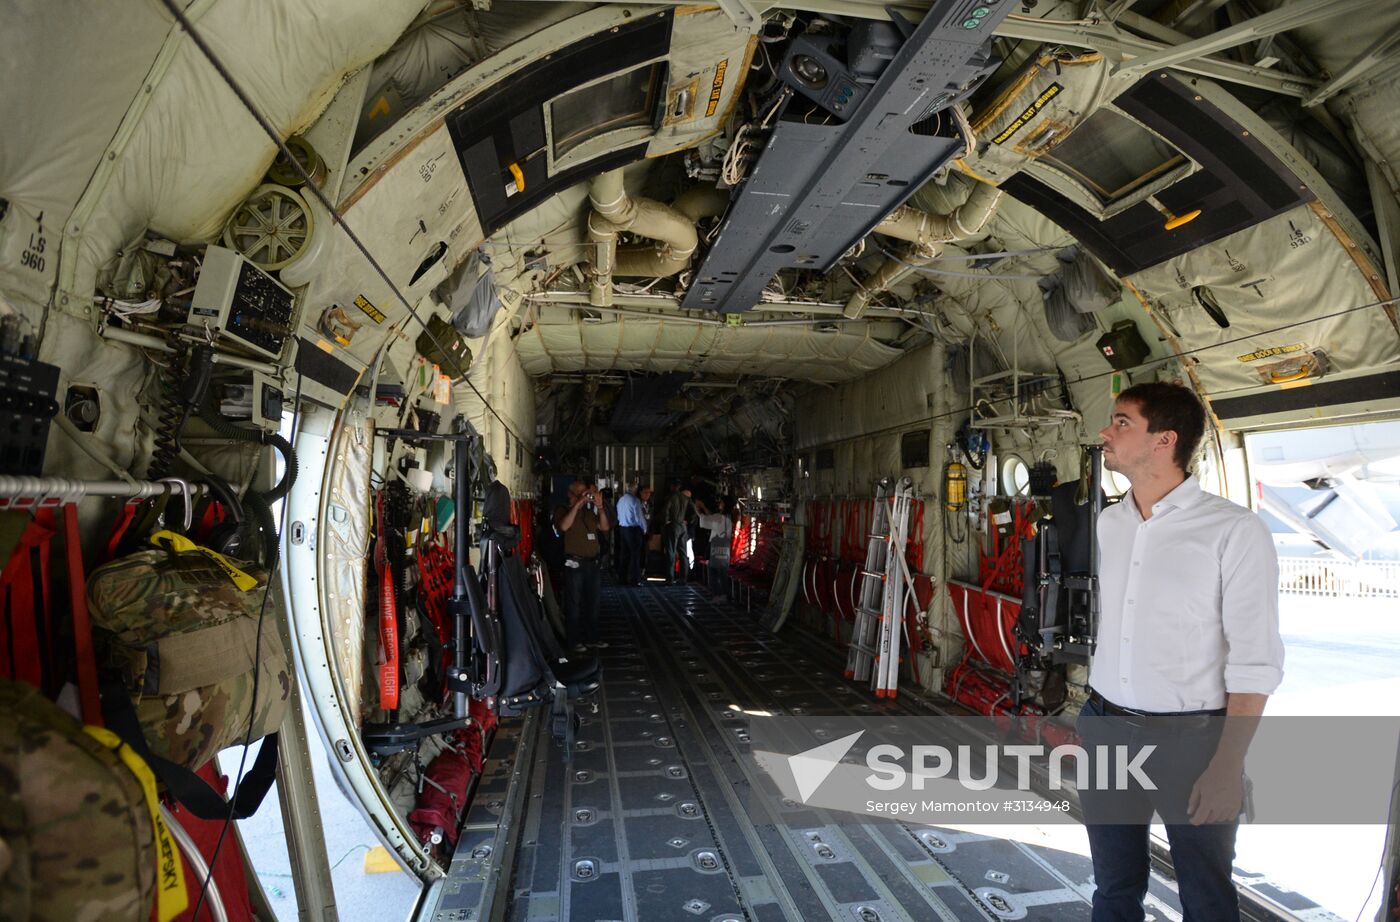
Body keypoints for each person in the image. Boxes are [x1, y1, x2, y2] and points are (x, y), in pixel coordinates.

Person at [1079, 381, 1283, 921]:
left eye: (1122, 421)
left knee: (1206, 894)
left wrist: (1227, 766)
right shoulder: (1111, 521)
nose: (1106, 431)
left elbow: (1255, 661)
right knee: (1113, 888)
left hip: (1191, 742)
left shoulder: (1234, 531)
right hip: (1104, 723)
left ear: (1164, 440)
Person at [552, 478, 611, 650]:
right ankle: (574, 640)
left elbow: (605, 527)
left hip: (592, 564)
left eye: (585, 493)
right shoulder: (562, 510)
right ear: (571, 494)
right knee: (574, 604)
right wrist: (577, 504)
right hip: (574, 565)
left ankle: (592, 638)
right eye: (580, 493)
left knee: (593, 603)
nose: (585, 496)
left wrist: (600, 507)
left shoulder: (589, 513)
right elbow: (563, 526)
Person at [695, 496, 733, 599]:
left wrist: (698, 509)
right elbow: (711, 518)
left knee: (713, 572)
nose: (719, 504)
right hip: (725, 549)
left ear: (724, 504)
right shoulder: (728, 518)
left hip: (716, 548)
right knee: (723, 572)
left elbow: (705, 520)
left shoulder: (718, 517)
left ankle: (717, 595)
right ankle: (724, 595)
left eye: (721, 502)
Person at [661, 481, 694, 585]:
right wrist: (688, 520)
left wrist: (666, 521)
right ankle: (683, 578)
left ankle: (670, 578)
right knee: (683, 553)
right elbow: (693, 511)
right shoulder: (685, 498)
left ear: (673, 486)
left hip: (673, 525)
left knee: (671, 551)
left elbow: (666, 510)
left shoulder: (671, 497)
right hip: (683, 526)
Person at [615, 482, 648, 586]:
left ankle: (622, 579)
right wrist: (644, 528)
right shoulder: (635, 500)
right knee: (635, 556)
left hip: (622, 529)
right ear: (634, 490)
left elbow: (619, 516)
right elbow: (639, 517)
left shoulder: (621, 500)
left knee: (624, 555)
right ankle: (635, 580)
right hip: (633, 530)